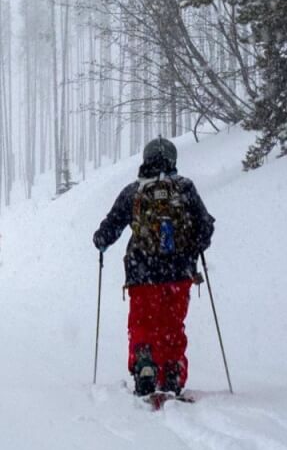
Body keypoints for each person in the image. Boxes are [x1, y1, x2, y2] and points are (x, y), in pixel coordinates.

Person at [92, 137, 215, 397]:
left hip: (141, 272)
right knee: (173, 325)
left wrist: (100, 242)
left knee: (142, 323)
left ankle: (145, 364)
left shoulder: (134, 191)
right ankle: (172, 370)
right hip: (179, 274)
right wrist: (193, 251)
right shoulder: (185, 189)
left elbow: (110, 227)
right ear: (173, 160)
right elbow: (205, 227)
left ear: (145, 160)